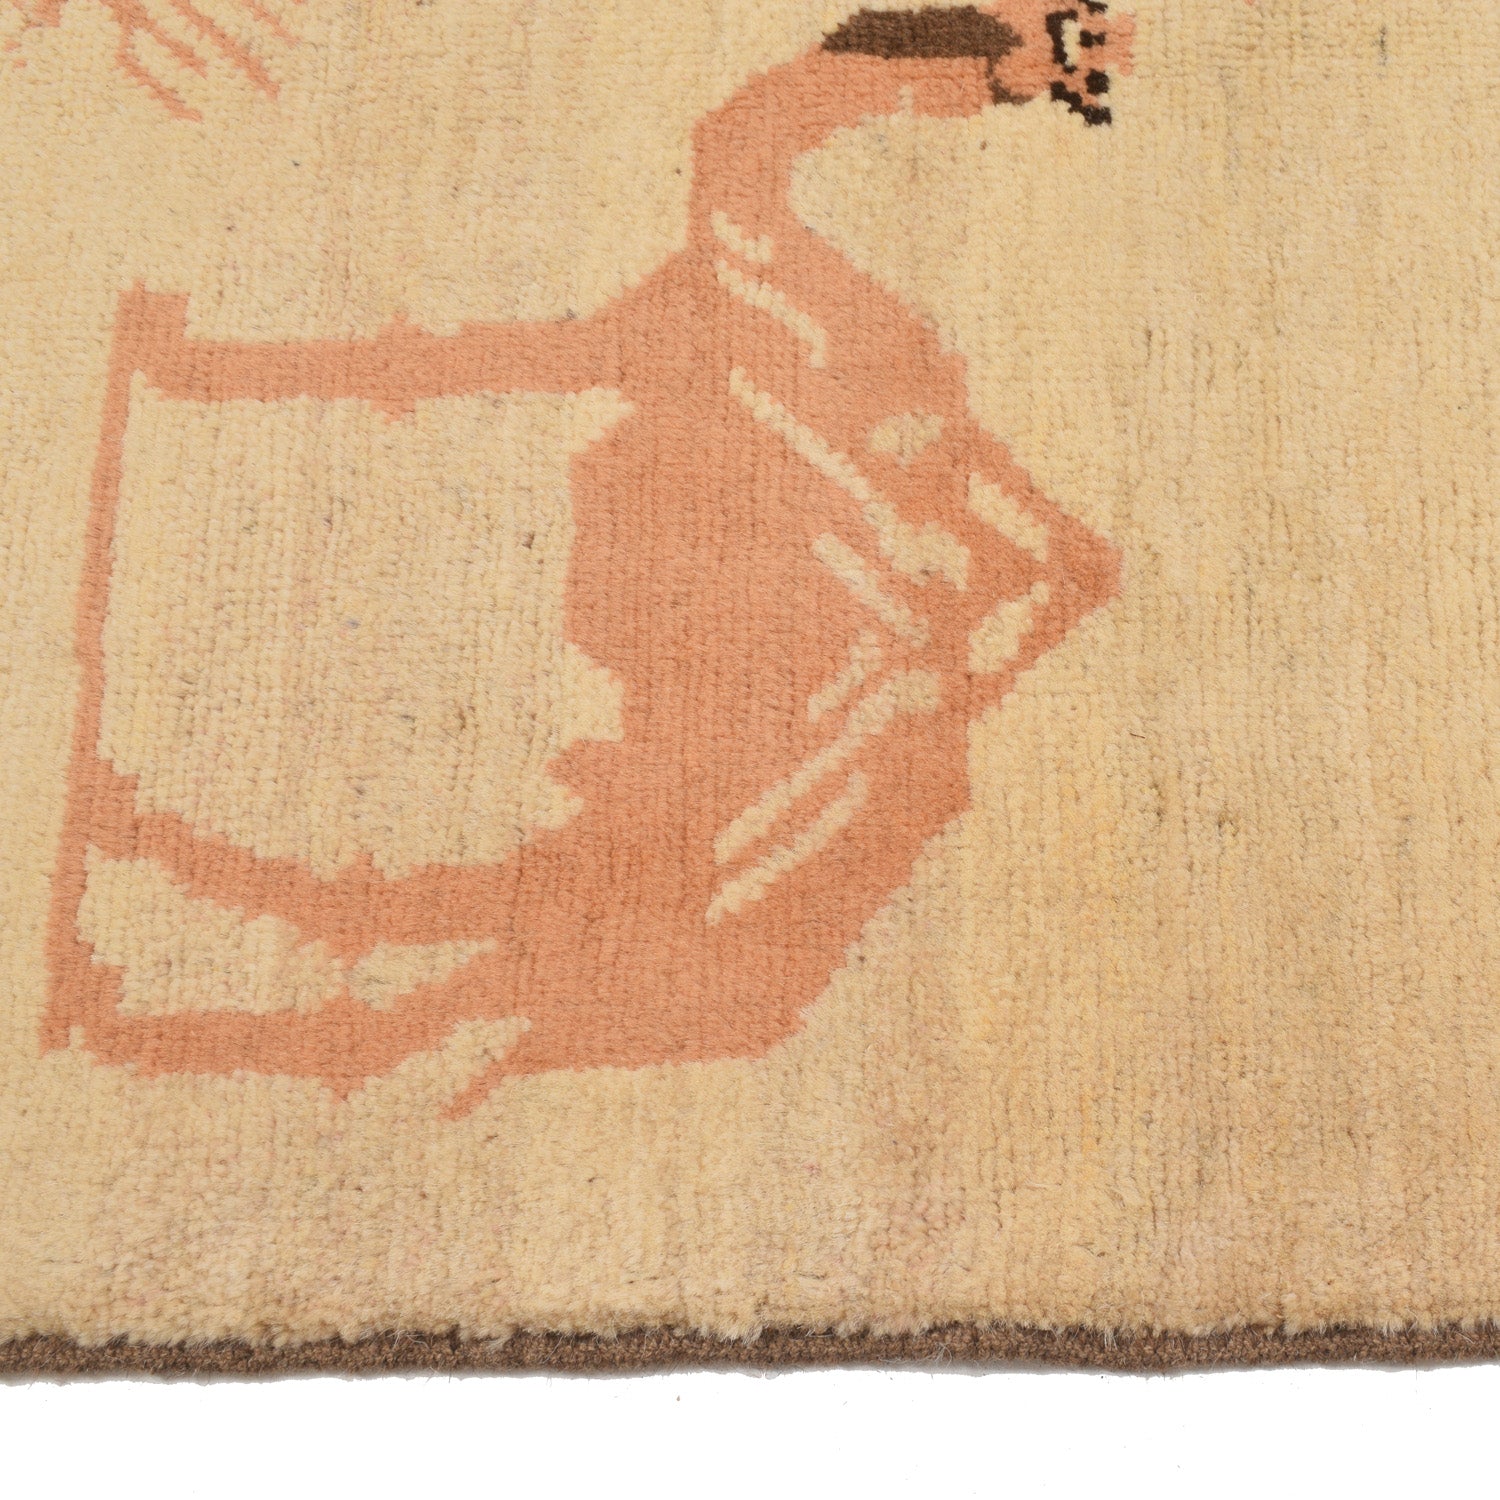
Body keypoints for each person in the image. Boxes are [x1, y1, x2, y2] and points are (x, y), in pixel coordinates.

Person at [47, 5, 1132, 1111]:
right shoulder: (841, 361)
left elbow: (748, 142)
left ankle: (158, 976)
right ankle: (156, 963)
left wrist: (1006, 65)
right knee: (590, 912)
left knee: (593, 915)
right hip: (766, 600)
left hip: (777, 668)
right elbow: (749, 142)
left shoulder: (847, 387)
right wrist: (1000, 67)